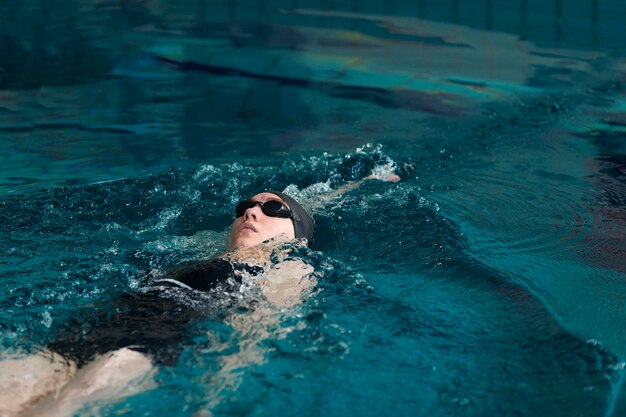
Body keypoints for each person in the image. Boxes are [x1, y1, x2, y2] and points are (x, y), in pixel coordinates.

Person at [0, 190, 318, 417]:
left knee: (61, 405)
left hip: (145, 347)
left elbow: (255, 333)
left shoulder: (288, 269)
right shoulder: (203, 252)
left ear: (298, 237)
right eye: (245, 206)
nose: (251, 212)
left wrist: (213, 394)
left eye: (273, 208)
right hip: (92, 328)